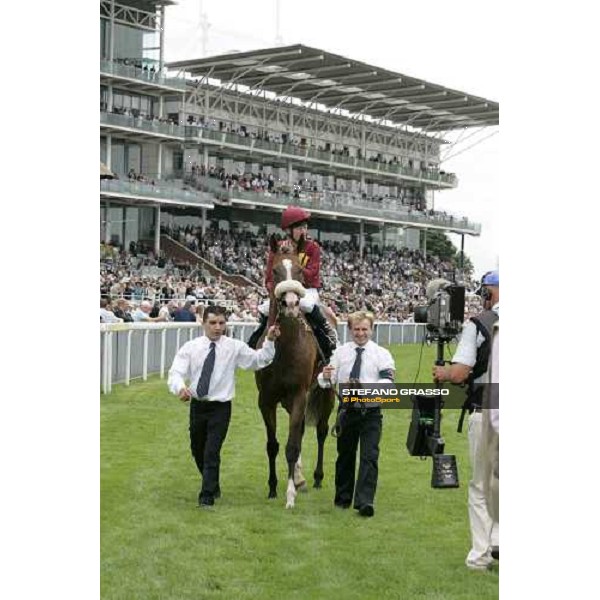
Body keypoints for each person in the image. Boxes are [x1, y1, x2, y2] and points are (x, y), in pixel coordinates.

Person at [167, 305, 281, 508]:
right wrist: (180, 388)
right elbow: (175, 372)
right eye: (213, 323)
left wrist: (270, 341)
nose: (217, 328)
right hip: (197, 406)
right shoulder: (191, 347)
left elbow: (258, 359)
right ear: (203, 324)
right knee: (197, 450)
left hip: (221, 407)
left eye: (221, 323)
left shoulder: (234, 347)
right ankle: (213, 482)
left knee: (212, 451)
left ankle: (206, 497)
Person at [433, 270, 499, 570]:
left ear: (489, 294)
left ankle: (480, 555)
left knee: (481, 484)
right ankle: (499, 540)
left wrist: (443, 373)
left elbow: (459, 373)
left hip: (488, 407)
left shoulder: (479, 324)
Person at [317, 311, 395, 518]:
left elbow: (387, 383)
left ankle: (364, 501)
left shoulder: (382, 354)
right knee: (345, 456)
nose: (360, 334)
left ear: (372, 329)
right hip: (347, 412)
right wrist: (324, 376)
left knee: (369, 456)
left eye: (364, 329)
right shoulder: (341, 353)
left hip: (371, 412)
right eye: (356, 329)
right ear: (350, 330)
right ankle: (342, 499)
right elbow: (327, 380)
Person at [248, 206, 337, 360]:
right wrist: (275, 289)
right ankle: (254, 341)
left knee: (307, 305)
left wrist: (293, 266)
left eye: (305, 227)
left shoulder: (312, 247)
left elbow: (311, 274)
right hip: (281, 290)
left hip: (306, 290)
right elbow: (269, 276)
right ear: (289, 230)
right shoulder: (277, 248)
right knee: (264, 309)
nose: (304, 231)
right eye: (299, 227)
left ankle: (327, 333)